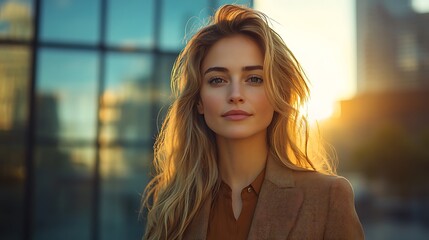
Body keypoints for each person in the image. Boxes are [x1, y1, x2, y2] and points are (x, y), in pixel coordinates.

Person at [141, 4, 364, 240]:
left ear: (278, 94)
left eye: (254, 79)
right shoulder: (173, 207)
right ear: (199, 101)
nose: (236, 94)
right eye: (217, 80)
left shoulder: (328, 197)